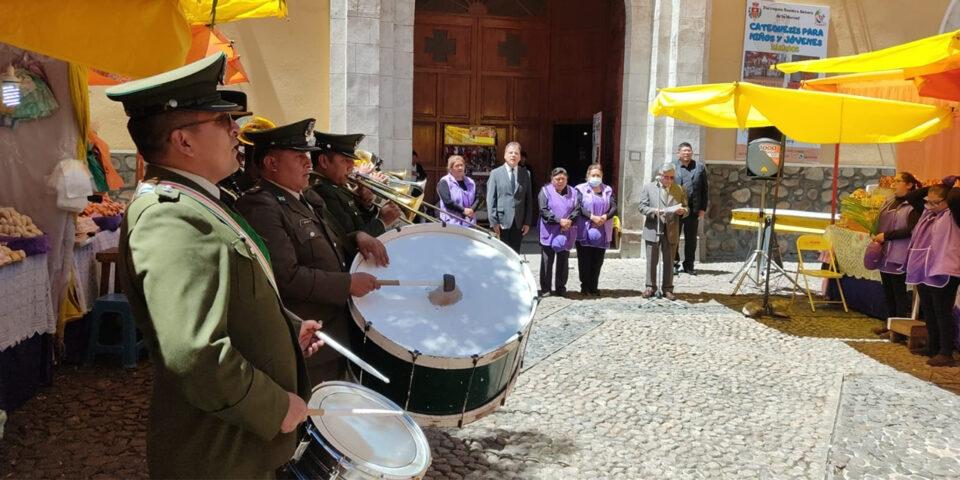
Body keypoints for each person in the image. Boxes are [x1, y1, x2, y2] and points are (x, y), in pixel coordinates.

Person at [107, 53, 323, 478]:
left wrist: (285, 327)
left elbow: (234, 291)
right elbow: (194, 351)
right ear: (183, 142)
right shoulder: (169, 214)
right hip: (221, 453)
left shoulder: (200, 200)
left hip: (243, 447)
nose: (236, 132)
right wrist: (275, 407)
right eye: (223, 122)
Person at [236, 120, 390, 384]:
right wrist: (348, 283)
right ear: (272, 164)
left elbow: (333, 243)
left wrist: (358, 236)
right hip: (311, 342)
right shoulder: (261, 205)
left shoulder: (302, 198)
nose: (309, 163)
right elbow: (286, 276)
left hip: (334, 333)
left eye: (307, 155)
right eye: (299, 157)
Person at [905, 181, 960, 367]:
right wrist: (936, 187)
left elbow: (955, 197)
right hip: (925, 267)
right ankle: (933, 345)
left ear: (947, 200)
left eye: (938, 202)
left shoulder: (955, 213)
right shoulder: (928, 213)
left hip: (946, 268)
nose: (932, 206)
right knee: (928, 309)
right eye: (930, 202)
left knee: (942, 310)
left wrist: (950, 186)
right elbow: (912, 197)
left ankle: (946, 352)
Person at [308, 133, 402, 239]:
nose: (352, 166)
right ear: (324, 161)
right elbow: (348, 243)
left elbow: (359, 225)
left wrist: (365, 205)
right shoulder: (324, 191)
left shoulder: (336, 186)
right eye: (345, 160)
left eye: (352, 160)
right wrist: (382, 222)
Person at [870, 172, 923, 334]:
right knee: (888, 291)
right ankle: (890, 324)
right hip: (884, 252)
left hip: (899, 253)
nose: (894, 184)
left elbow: (911, 230)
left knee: (898, 292)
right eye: (894, 181)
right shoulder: (890, 201)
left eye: (898, 181)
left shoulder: (914, 205)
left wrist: (886, 236)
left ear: (909, 185)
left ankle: (898, 328)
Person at [639, 163, 688, 300]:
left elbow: (686, 207)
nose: (669, 180)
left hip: (671, 229)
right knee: (651, 260)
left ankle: (667, 288)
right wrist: (654, 211)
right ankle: (650, 287)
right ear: (660, 176)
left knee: (669, 260)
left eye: (672, 177)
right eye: (666, 177)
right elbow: (642, 207)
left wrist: (683, 211)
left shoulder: (679, 189)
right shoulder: (649, 188)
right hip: (654, 228)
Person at [538, 168, 581, 297]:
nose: (560, 181)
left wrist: (569, 221)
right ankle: (546, 289)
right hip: (549, 229)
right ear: (552, 180)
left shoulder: (574, 192)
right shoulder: (545, 191)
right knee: (547, 260)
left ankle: (561, 287)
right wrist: (558, 221)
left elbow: (577, 209)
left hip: (567, 230)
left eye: (563, 179)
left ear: (567, 179)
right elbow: (543, 210)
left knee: (563, 260)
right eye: (557, 179)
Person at [575, 163, 616, 296]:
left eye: (598, 175)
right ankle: (585, 286)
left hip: (602, 230)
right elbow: (578, 207)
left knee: (597, 261)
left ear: (602, 176)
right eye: (593, 175)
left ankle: (594, 286)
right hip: (584, 229)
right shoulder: (579, 189)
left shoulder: (608, 190)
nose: (596, 177)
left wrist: (604, 217)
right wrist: (592, 217)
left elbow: (614, 207)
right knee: (584, 260)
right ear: (588, 176)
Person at [487, 141, 533, 252]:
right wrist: (494, 221)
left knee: (515, 253)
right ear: (505, 155)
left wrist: (527, 222)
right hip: (501, 221)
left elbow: (529, 199)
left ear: (520, 157)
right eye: (510, 152)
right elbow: (490, 199)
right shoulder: (495, 173)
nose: (513, 155)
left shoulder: (525, 173)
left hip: (518, 222)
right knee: (501, 253)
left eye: (516, 153)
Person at [672, 142, 708, 275]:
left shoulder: (699, 167)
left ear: (692, 153)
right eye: (684, 151)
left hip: (693, 209)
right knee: (673, 237)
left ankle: (689, 265)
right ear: (678, 153)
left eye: (689, 150)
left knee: (691, 239)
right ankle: (674, 263)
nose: (687, 153)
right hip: (676, 209)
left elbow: (705, 189)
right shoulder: (672, 167)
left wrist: (702, 208)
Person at [437, 155, 480, 226]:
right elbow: (447, 202)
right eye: (457, 166)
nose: (460, 168)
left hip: (469, 222)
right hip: (451, 223)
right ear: (450, 169)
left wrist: (471, 210)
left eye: (462, 165)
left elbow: (478, 198)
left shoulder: (471, 182)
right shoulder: (445, 181)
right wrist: (463, 210)